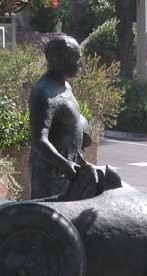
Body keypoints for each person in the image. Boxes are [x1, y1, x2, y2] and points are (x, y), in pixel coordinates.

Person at [29, 35, 88, 199]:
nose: (80, 64)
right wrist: (63, 164)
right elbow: (39, 140)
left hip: (69, 169)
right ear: (59, 60)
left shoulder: (65, 87)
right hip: (51, 175)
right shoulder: (43, 92)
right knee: (49, 214)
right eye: (76, 59)